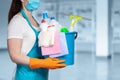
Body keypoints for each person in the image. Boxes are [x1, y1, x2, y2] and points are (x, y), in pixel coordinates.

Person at [7, 0, 66, 80]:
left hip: (41, 76)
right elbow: (15, 56)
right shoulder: (17, 21)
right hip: (25, 76)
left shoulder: (36, 22)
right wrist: (43, 63)